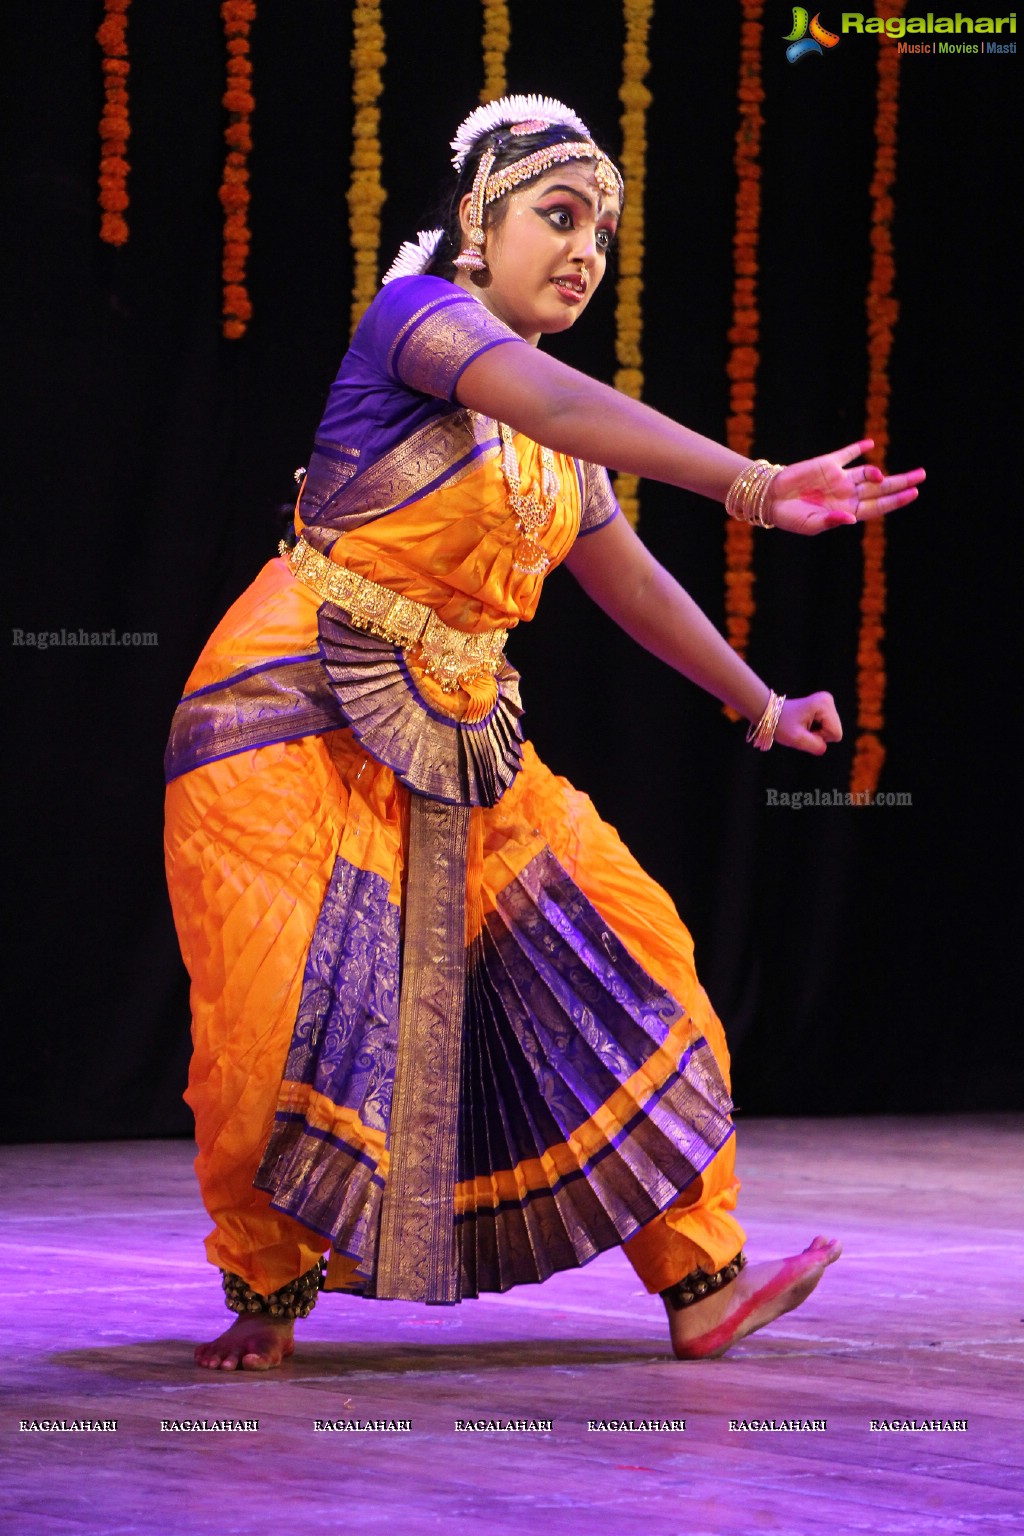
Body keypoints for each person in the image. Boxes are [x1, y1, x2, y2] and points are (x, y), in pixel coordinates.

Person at [164, 95, 923, 1372]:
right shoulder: (413, 322)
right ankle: (267, 1290)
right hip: (291, 711)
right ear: (476, 223)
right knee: (278, 1014)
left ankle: (700, 1280)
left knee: (631, 953)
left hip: (458, 728)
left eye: (600, 235)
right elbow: (564, 406)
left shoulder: (549, 438)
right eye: (556, 217)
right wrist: (750, 483)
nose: (583, 250)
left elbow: (621, 571)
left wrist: (758, 701)